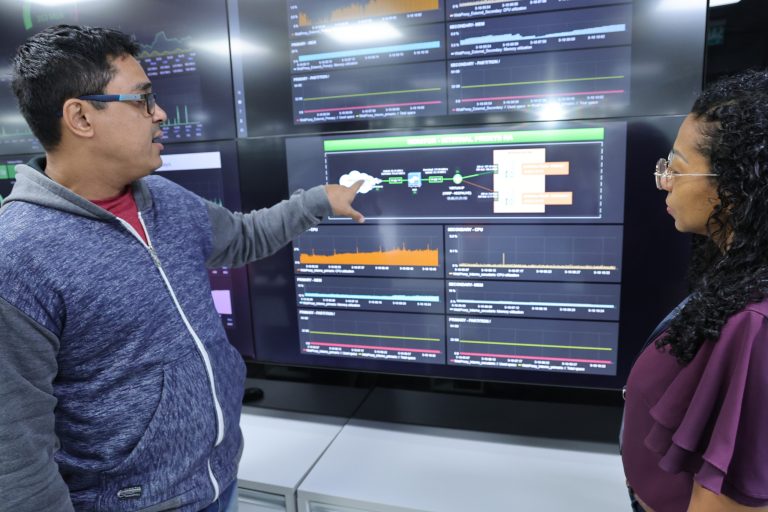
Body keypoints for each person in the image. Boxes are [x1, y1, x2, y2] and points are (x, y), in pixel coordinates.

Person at [0, 25, 364, 512]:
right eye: (142, 99)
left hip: (216, 480)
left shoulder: (162, 199)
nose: (160, 114)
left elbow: (242, 236)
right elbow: (14, 451)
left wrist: (318, 202)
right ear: (81, 117)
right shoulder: (17, 254)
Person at [621, 70, 768, 512]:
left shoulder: (754, 326)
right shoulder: (739, 272)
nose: (663, 180)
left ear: (736, 187)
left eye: (677, 169)